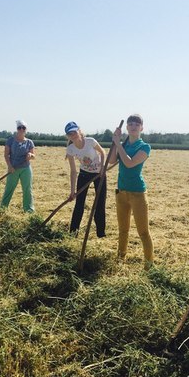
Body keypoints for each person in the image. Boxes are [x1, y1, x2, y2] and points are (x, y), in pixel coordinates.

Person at [109, 114, 154, 269]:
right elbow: (112, 161)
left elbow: (129, 163)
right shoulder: (125, 144)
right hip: (121, 192)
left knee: (143, 232)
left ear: (141, 128)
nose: (133, 126)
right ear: (126, 128)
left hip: (138, 194)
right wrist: (116, 142)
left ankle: (149, 265)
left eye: (137, 124)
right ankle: (121, 260)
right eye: (131, 124)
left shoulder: (144, 147)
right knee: (123, 230)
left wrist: (118, 144)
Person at [65, 121, 106, 237]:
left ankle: (101, 233)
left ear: (79, 131)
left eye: (74, 132)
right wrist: (72, 192)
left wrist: (102, 167)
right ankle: (73, 233)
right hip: (84, 174)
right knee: (79, 204)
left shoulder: (90, 141)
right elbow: (73, 171)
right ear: (68, 136)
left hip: (99, 174)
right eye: (70, 134)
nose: (73, 135)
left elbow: (102, 152)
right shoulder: (70, 149)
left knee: (99, 203)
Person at [0, 120, 35, 212]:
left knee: (27, 189)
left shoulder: (29, 142)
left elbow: (33, 155)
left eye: (23, 128)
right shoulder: (10, 140)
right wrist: (10, 166)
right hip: (13, 168)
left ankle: (29, 209)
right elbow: (6, 155)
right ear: (17, 129)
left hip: (26, 168)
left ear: (26, 130)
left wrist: (30, 156)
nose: (21, 129)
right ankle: (3, 208)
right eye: (19, 128)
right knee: (9, 188)